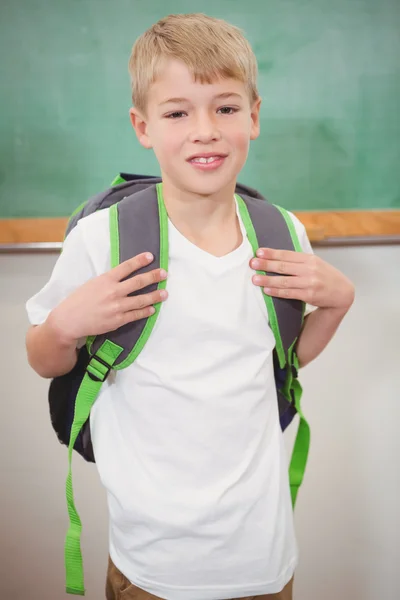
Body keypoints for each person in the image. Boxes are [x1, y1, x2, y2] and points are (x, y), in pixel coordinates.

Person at [25, 13, 355, 600]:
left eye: (226, 108)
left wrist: (336, 305)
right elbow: (45, 358)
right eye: (177, 112)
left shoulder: (282, 233)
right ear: (143, 126)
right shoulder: (102, 240)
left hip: (265, 559)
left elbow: (283, 357)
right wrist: (65, 325)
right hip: (152, 568)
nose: (204, 130)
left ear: (254, 115)